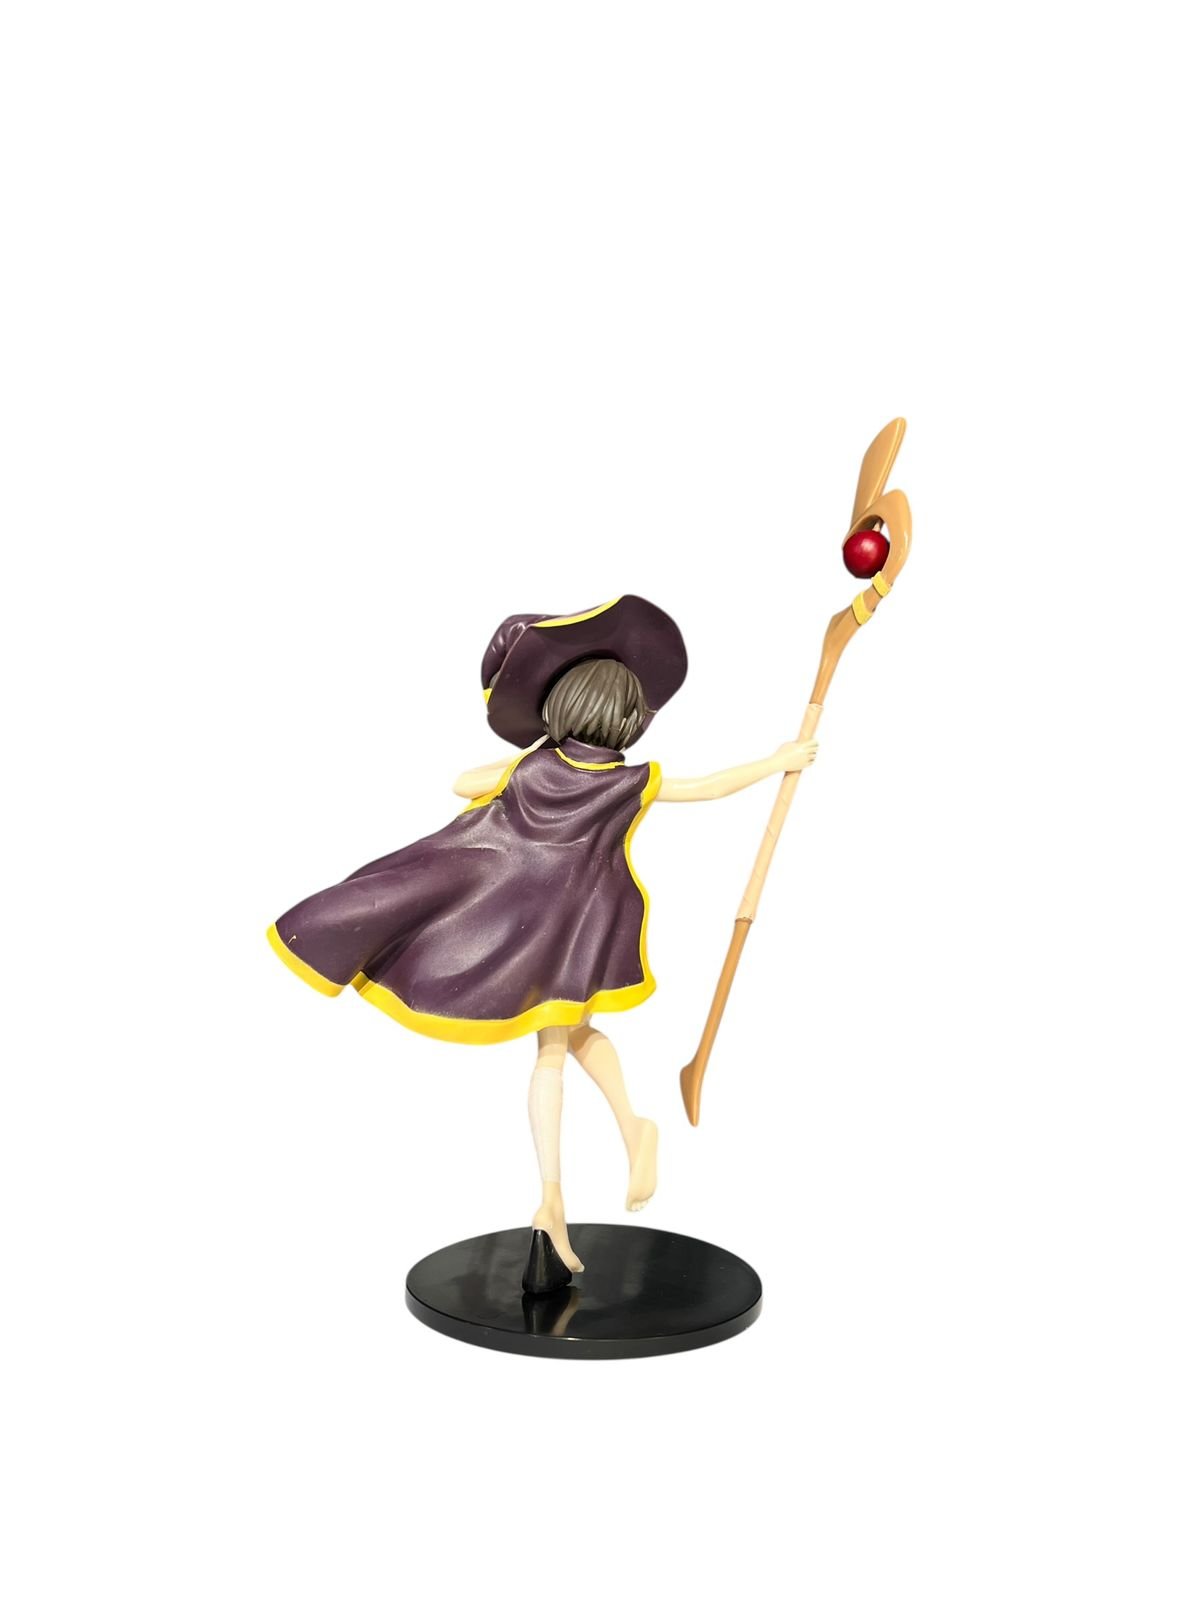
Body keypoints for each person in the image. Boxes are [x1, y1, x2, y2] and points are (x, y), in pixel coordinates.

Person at [267, 595, 816, 1282]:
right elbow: (707, 787)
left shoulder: (534, 770)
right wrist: (778, 760)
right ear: (629, 719)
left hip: (541, 928)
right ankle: (612, 1144)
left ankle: (564, 1186)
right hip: (571, 927)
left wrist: (523, 763)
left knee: (556, 1050)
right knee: (567, 1038)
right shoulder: (628, 782)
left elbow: (463, 782)